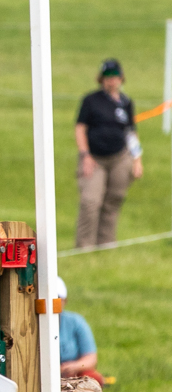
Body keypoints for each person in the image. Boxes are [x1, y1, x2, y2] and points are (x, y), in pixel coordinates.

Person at [75, 59, 143, 249]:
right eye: (107, 77)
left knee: (113, 200)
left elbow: (130, 132)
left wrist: (137, 159)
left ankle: (106, 246)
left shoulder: (126, 102)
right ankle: (84, 248)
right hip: (94, 158)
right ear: (101, 79)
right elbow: (80, 128)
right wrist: (85, 155)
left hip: (120, 157)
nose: (111, 81)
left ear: (121, 79)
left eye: (114, 77)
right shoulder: (91, 101)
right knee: (90, 201)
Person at [53, 276, 106, 387]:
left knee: (92, 378)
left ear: (64, 301)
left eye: (57, 299)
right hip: (46, 373)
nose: (54, 303)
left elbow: (90, 357)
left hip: (72, 373)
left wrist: (75, 366)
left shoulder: (76, 322)